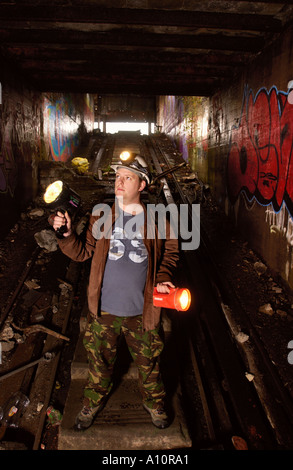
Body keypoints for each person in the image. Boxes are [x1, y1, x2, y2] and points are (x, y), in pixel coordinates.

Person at [53, 155, 179, 431]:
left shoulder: (157, 218)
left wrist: (163, 277)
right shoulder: (102, 215)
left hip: (142, 311)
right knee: (99, 365)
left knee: (149, 363)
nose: (118, 182)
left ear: (142, 185)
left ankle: (154, 402)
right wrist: (66, 235)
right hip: (105, 311)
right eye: (117, 177)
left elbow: (171, 249)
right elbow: (83, 252)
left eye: (127, 177)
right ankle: (92, 402)